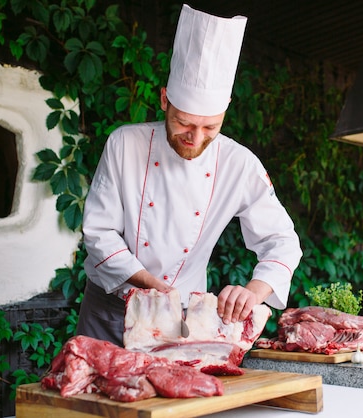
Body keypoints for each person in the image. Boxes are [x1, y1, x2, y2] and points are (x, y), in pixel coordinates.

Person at [76, 4, 302, 346]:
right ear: (165, 100)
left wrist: (255, 291)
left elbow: (282, 242)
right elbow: (98, 232)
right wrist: (147, 284)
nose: (196, 138)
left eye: (210, 126)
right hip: (109, 310)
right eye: (184, 122)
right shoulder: (125, 143)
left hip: (180, 320)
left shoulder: (239, 164)